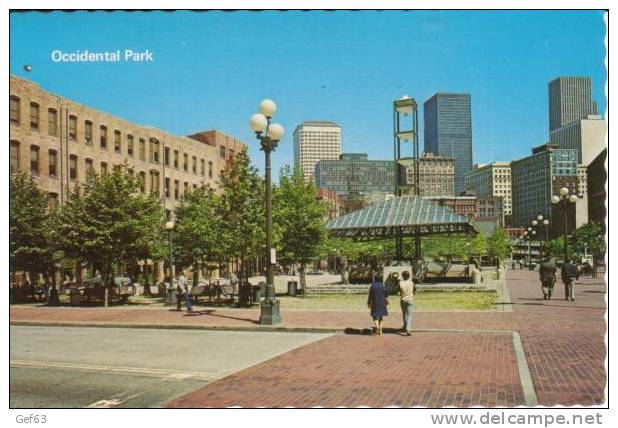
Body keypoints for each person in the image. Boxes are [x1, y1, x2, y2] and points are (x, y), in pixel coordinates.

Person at [398, 270, 415, 336]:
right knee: (410, 315)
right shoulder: (412, 283)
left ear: (402, 276)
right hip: (410, 299)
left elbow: (398, 291)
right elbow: (414, 291)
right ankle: (408, 329)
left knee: (404, 314)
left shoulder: (400, 283)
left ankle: (405, 326)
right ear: (409, 276)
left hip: (403, 299)